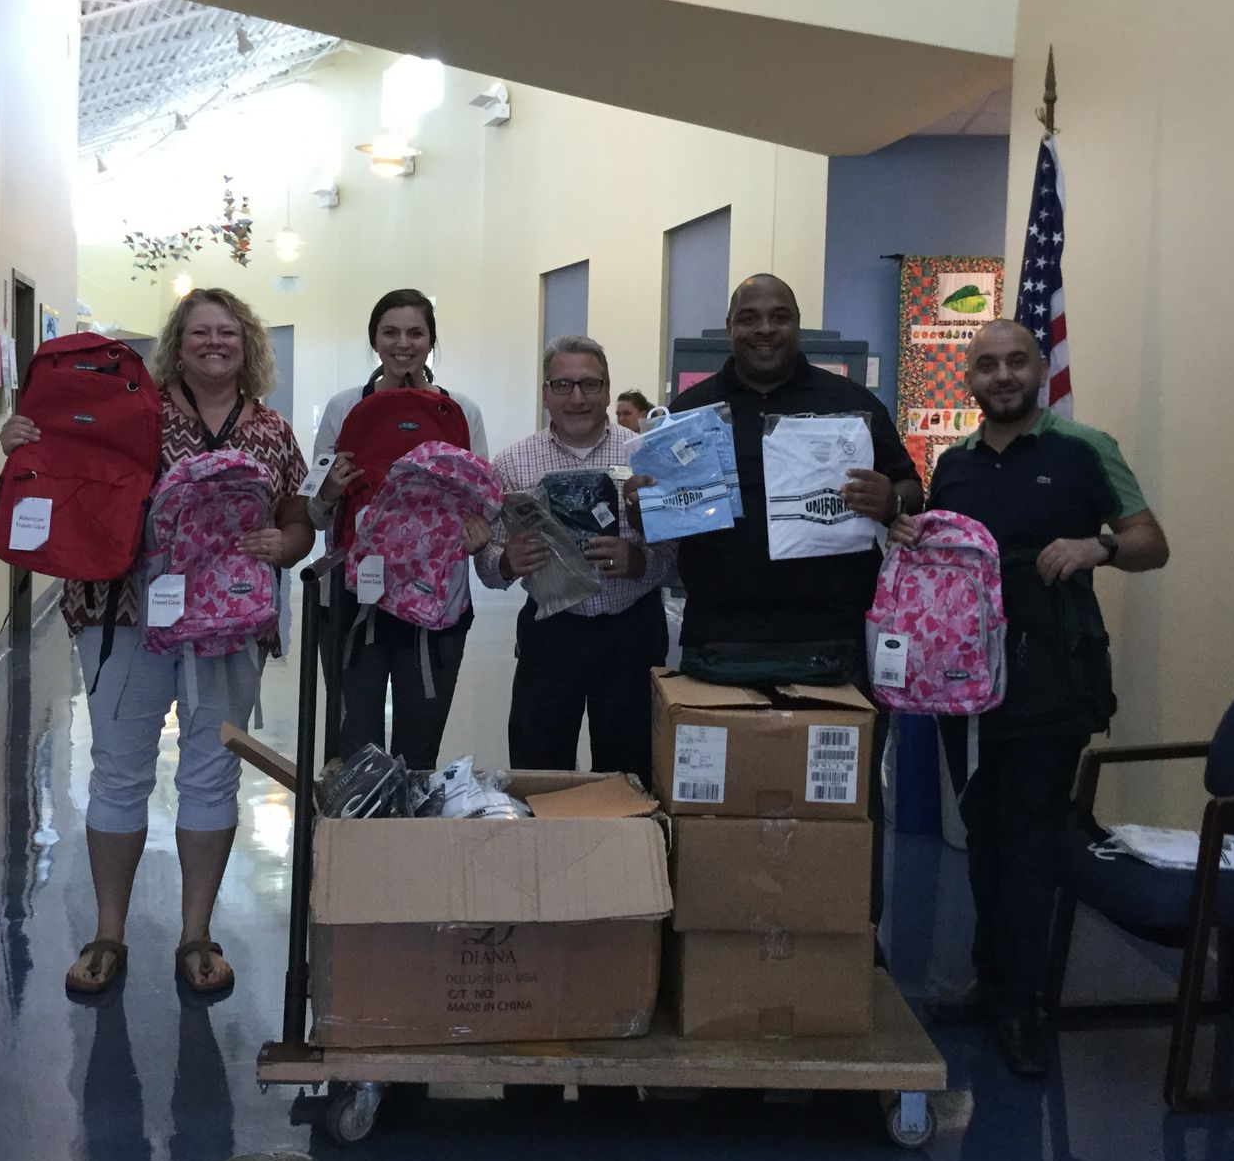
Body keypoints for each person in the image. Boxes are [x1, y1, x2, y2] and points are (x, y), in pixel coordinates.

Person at [0, 288, 314, 998]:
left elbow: (297, 519)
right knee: (118, 773)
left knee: (212, 775)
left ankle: (196, 933)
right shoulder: (132, 414)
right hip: (126, 616)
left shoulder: (271, 430)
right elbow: (64, 465)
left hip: (229, 628)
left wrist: (285, 544)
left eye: (228, 332)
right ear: (177, 342)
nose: (214, 343)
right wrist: (22, 441)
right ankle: (108, 932)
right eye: (200, 332)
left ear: (247, 343)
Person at [910, 317, 1169, 1079]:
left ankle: (1022, 1004)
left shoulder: (1085, 448)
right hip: (966, 683)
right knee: (983, 833)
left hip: (1053, 676)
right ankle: (990, 980)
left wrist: (1099, 546)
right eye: (987, 365)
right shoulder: (953, 465)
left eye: (1016, 361)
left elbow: (1151, 541)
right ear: (969, 379)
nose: (1002, 376)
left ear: (1038, 367)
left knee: (1030, 840)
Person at [655, 273, 921, 930]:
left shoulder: (851, 405)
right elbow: (667, 515)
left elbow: (911, 487)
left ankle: (848, 939)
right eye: (749, 317)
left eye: (779, 316)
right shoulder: (693, 412)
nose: (764, 329)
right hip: (718, 644)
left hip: (830, 644)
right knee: (715, 807)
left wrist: (891, 500)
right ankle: (716, 936)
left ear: (797, 324)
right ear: (730, 327)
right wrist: (651, 502)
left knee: (841, 806)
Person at [307, 289, 491, 769]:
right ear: (374, 339)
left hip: (437, 599)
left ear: (431, 340)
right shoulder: (343, 407)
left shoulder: (462, 411)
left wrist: (479, 533)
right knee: (356, 749)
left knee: (420, 748)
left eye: (415, 333)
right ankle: (358, 821)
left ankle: (409, 822)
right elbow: (315, 513)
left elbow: (482, 500)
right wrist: (328, 492)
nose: (403, 344)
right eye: (390, 332)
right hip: (351, 598)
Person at [477, 336, 673, 781]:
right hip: (551, 633)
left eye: (590, 384)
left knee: (631, 774)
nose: (577, 398)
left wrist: (641, 562)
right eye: (563, 385)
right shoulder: (512, 463)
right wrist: (506, 562)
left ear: (608, 389)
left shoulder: (645, 455)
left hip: (631, 632)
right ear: (545, 393)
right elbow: (487, 563)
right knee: (539, 770)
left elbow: (676, 555)